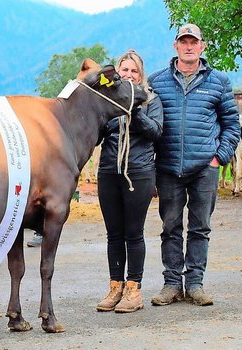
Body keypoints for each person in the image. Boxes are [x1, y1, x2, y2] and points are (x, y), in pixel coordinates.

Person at [148, 23, 240, 306]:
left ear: (202, 46)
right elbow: (149, 125)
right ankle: (172, 284)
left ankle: (196, 284)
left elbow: (232, 125)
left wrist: (217, 158)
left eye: (194, 42)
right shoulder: (157, 81)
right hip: (168, 168)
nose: (189, 46)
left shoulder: (219, 82)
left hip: (204, 169)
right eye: (183, 41)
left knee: (200, 228)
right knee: (170, 227)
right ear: (175, 46)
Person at [95, 49, 163, 313]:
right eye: (125, 70)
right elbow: (98, 134)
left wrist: (135, 110)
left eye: (134, 71)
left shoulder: (150, 100)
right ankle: (115, 287)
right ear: (118, 73)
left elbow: (156, 132)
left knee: (133, 233)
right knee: (114, 234)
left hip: (139, 171)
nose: (129, 74)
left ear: (140, 74)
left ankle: (134, 289)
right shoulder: (106, 100)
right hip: (109, 171)